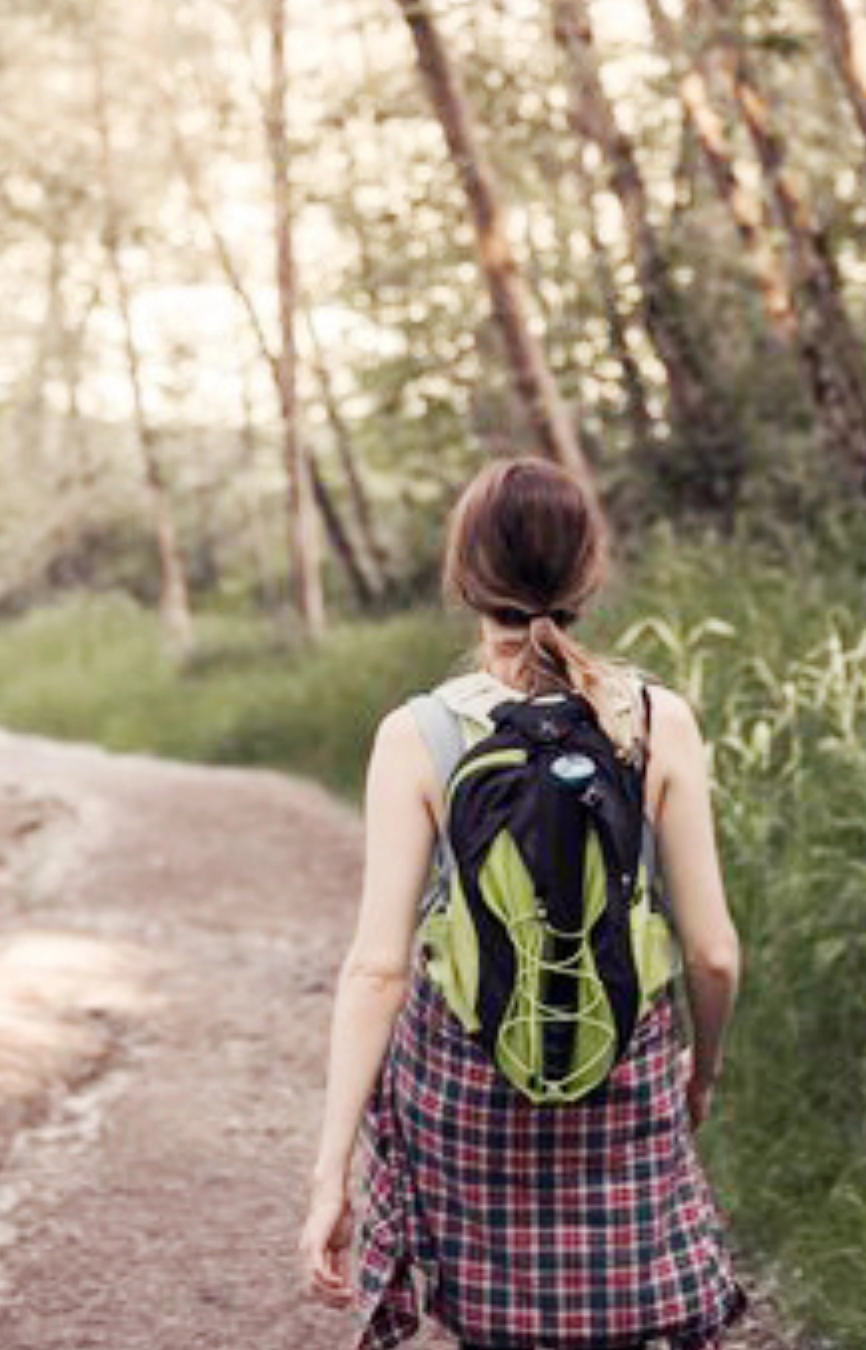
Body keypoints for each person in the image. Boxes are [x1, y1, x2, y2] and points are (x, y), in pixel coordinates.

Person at [298, 457, 749, 1350]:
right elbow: (714, 955)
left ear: (463, 575)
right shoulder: (658, 721)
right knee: (627, 1317)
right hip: (622, 1075)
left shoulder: (418, 733)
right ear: (590, 573)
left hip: (466, 1094)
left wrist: (330, 1175)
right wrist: (699, 1070)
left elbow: (379, 968)